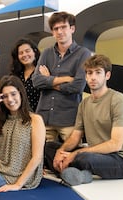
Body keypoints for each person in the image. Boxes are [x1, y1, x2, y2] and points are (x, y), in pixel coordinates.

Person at [44, 54, 123, 186]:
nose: (93, 77)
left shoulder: (119, 101)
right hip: (96, 154)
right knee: (49, 147)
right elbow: (75, 137)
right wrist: (61, 151)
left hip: (121, 160)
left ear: (107, 76)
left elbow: (115, 144)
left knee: (83, 157)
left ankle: (71, 171)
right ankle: (78, 173)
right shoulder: (84, 104)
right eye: (89, 73)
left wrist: (75, 153)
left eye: (98, 72)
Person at [32, 11, 92, 142]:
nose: (59, 31)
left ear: (72, 28)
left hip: (69, 119)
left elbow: (78, 86)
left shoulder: (83, 53)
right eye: (56, 29)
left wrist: (49, 80)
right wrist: (65, 79)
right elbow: (36, 81)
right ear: (52, 32)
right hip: (44, 116)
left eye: (63, 27)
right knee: (42, 157)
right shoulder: (46, 53)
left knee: (70, 157)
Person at [10, 38, 41, 112]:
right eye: (21, 53)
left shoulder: (42, 71)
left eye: (27, 51)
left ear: (34, 52)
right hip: (20, 117)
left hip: (39, 116)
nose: (24, 55)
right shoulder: (15, 75)